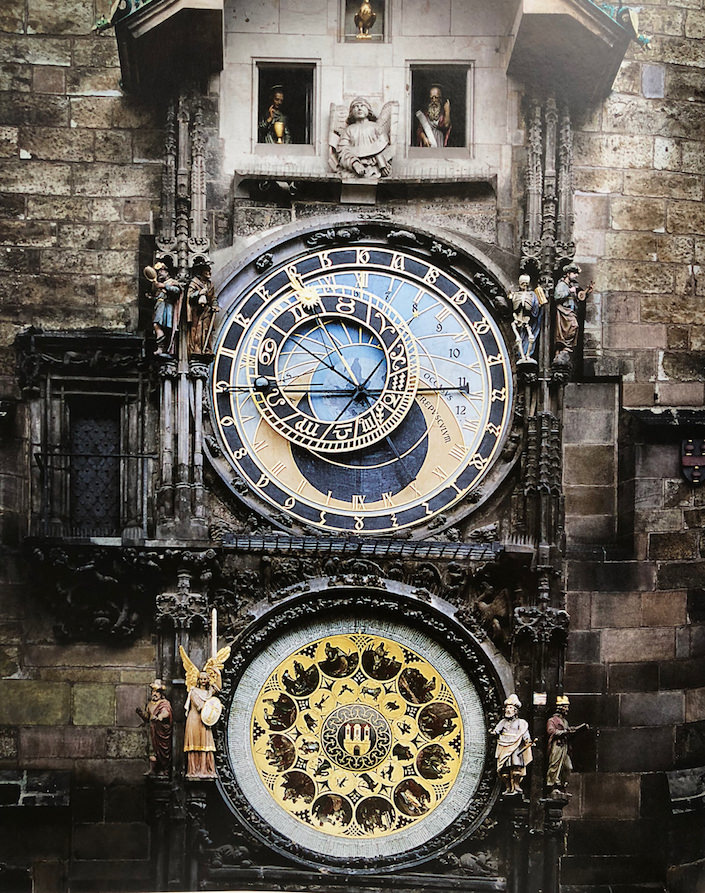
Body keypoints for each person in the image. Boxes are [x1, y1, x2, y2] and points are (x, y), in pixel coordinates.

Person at [336, 97, 393, 178]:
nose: (359, 108)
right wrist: (354, 163)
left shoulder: (376, 127)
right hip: (354, 169)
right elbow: (342, 150)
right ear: (351, 112)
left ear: (368, 110)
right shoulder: (349, 130)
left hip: (374, 168)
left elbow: (383, 147)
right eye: (356, 106)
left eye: (362, 105)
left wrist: (383, 165)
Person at [546, 696, 588, 798]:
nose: (567, 709)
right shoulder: (552, 720)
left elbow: (568, 731)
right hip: (557, 746)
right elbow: (551, 731)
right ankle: (553, 786)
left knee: (568, 767)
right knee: (555, 766)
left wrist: (576, 731)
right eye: (566, 707)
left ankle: (562, 785)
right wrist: (565, 732)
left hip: (564, 747)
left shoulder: (565, 722)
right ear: (560, 708)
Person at [492, 694, 533, 795]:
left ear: (515, 711)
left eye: (511, 708)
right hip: (503, 745)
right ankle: (508, 787)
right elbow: (496, 730)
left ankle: (516, 785)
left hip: (515, 745)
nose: (508, 710)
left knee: (516, 767)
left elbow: (524, 733)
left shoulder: (521, 722)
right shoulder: (503, 722)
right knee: (504, 769)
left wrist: (527, 740)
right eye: (507, 708)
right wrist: (494, 732)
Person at [553, 263, 593, 362]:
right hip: (564, 312)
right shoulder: (562, 284)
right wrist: (569, 291)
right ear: (568, 273)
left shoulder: (571, 286)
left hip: (571, 311)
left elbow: (577, 299)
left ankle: (564, 349)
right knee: (573, 326)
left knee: (572, 328)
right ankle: (563, 348)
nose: (576, 276)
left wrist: (586, 293)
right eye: (574, 273)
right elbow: (557, 296)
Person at [136, 679, 173, 776]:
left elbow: (166, 713)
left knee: (162, 751)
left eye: (157, 692)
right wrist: (141, 713)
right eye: (153, 691)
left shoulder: (164, 703)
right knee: (152, 750)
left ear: (161, 694)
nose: (155, 694)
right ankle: (153, 769)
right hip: (152, 731)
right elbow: (147, 717)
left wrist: (160, 717)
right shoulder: (150, 704)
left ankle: (165, 769)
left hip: (161, 732)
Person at [184, 670, 217, 778]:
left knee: (206, 744)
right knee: (195, 744)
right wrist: (214, 707)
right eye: (201, 679)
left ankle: (205, 769)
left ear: (208, 680)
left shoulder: (208, 692)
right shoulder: (194, 692)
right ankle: (194, 770)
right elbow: (200, 706)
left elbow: (218, 688)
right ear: (198, 680)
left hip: (205, 721)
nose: (203, 681)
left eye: (205, 679)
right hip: (195, 720)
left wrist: (218, 674)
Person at [509, 273, 547, 365]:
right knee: (520, 338)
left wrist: (540, 304)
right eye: (523, 283)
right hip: (517, 319)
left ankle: (527, 355)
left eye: (526, 284)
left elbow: (536, 307)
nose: (525, 285)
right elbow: (511, 307)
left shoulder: (532, 295)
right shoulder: (515, 294)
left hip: (527, 319)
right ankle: (521, 355)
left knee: (530, 337)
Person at [146, 262, 181, 355]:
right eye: (158, 272)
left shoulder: (172, 282)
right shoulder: (158, 285)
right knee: (156, 325)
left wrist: (165, 286)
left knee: (165, 327)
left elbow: (177, 291)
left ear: (167, 272)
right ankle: (161, 347)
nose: (160, 273)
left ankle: (165, 347)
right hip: (159, 306)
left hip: (167, 307)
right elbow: (159, 296)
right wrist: (151, 298)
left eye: (162, 271)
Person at [187, 261, 218, 356]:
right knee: (198, 329)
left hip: (207, 310)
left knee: (206, 329)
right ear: (201, 272)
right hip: (197, 311)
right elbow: (190, 295)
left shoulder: (210, 284)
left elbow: (213, 298)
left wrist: (215, 305)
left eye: (209, 270)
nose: (209, 272)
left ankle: (206, 348)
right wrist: (199, 293)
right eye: (206, 271)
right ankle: (197, 348)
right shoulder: (194, 282)